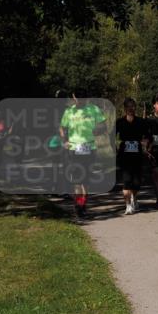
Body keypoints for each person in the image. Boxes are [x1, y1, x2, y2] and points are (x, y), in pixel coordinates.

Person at [59, 91, 107, 220]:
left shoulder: (94, 109)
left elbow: (104, 126)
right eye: (78, 98)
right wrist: (64, 141)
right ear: (74, 97)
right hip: (74, 148)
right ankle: (78, 206)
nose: (80, 100)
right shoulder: (69, 112)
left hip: (89, 147)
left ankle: (83, 204)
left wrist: (98, 130)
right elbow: (62, 127)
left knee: (86, 180)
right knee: (77, 180)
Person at [115, 97, 149, 215]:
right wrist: (114, 148)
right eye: (129, 107)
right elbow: (111, 136)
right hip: (124, 154)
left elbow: (147, 136)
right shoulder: (119, 122)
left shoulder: (141, 122)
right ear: (125, 108)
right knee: (126, 181)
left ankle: (135, 198)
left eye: (133, 106)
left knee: (136, 182)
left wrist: (145, 145)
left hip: (137, 154)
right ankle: (128, 205)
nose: (131, 109)